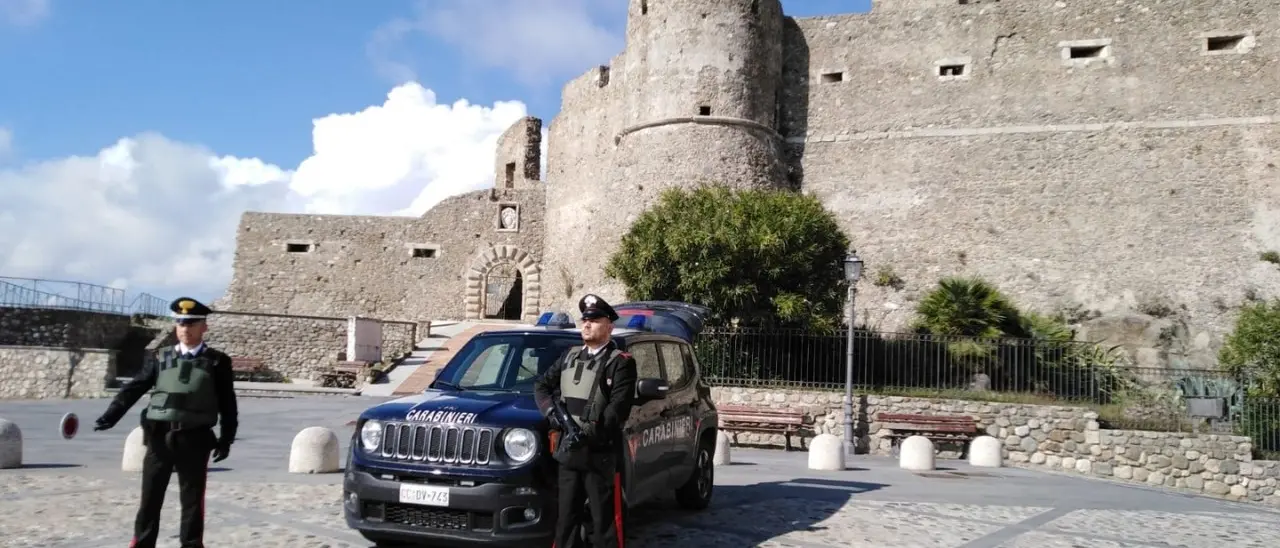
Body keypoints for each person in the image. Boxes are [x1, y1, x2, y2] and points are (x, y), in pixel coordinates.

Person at [93, 297, 238, 548]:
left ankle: (191, 545)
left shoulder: (217, 362)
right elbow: (134, 388)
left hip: (195, 439)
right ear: (175, 326)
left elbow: (228, 404)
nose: (186, 328)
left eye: (192, 323)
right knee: (150, 498)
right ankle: (142, 543)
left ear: (204, 327)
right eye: (181, 323)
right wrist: (111, 415)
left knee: (192, 502)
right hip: (159, 438)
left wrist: (226, 439)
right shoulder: (160, 358)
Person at [534, 294, 638, 548]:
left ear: (609, 326)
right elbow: (542, 386)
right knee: (566, 519)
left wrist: (590, 435)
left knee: (604, 522)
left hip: (598, 455)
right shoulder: (569, 357)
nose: (587, 325)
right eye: (585, 320)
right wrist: (554, 417)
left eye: (594, 320)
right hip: (568, 452)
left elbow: (617, 409)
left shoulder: (620, 363)